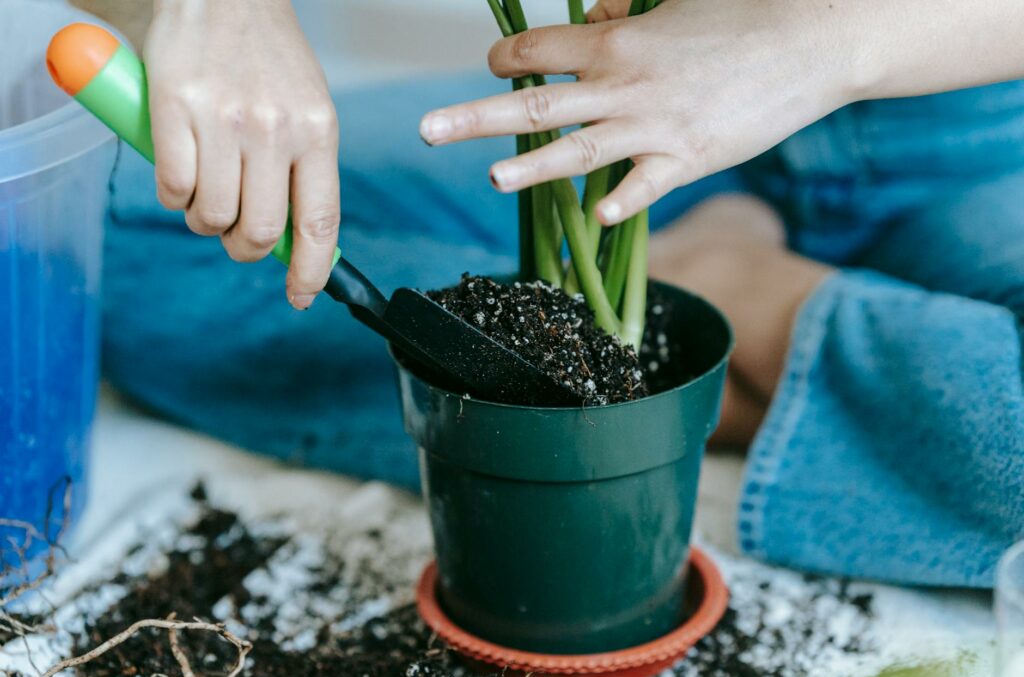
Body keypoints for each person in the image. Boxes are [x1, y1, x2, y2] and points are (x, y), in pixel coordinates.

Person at [99, 0, 1024, 588]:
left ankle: (741, 299)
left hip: (971, 141)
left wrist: (816, 43)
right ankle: (707, 367)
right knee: (125, 213)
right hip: (638, 92)